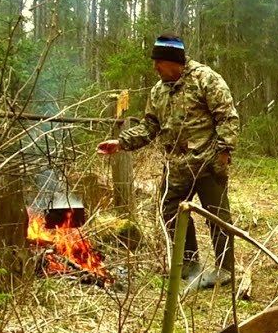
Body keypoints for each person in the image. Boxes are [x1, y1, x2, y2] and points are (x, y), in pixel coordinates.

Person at [97, 35, 239, 293]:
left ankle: (225, 270)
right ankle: (188, 264)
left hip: (207, 162)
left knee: (218, 216)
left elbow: (227, 117)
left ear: (175, 62)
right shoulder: (158, 91)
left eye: (159, 62)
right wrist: (120, 143)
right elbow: (149, 126)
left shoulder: (206, 79)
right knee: (169, 211)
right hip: (176, 165)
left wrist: (223, 153)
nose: (155, 67)